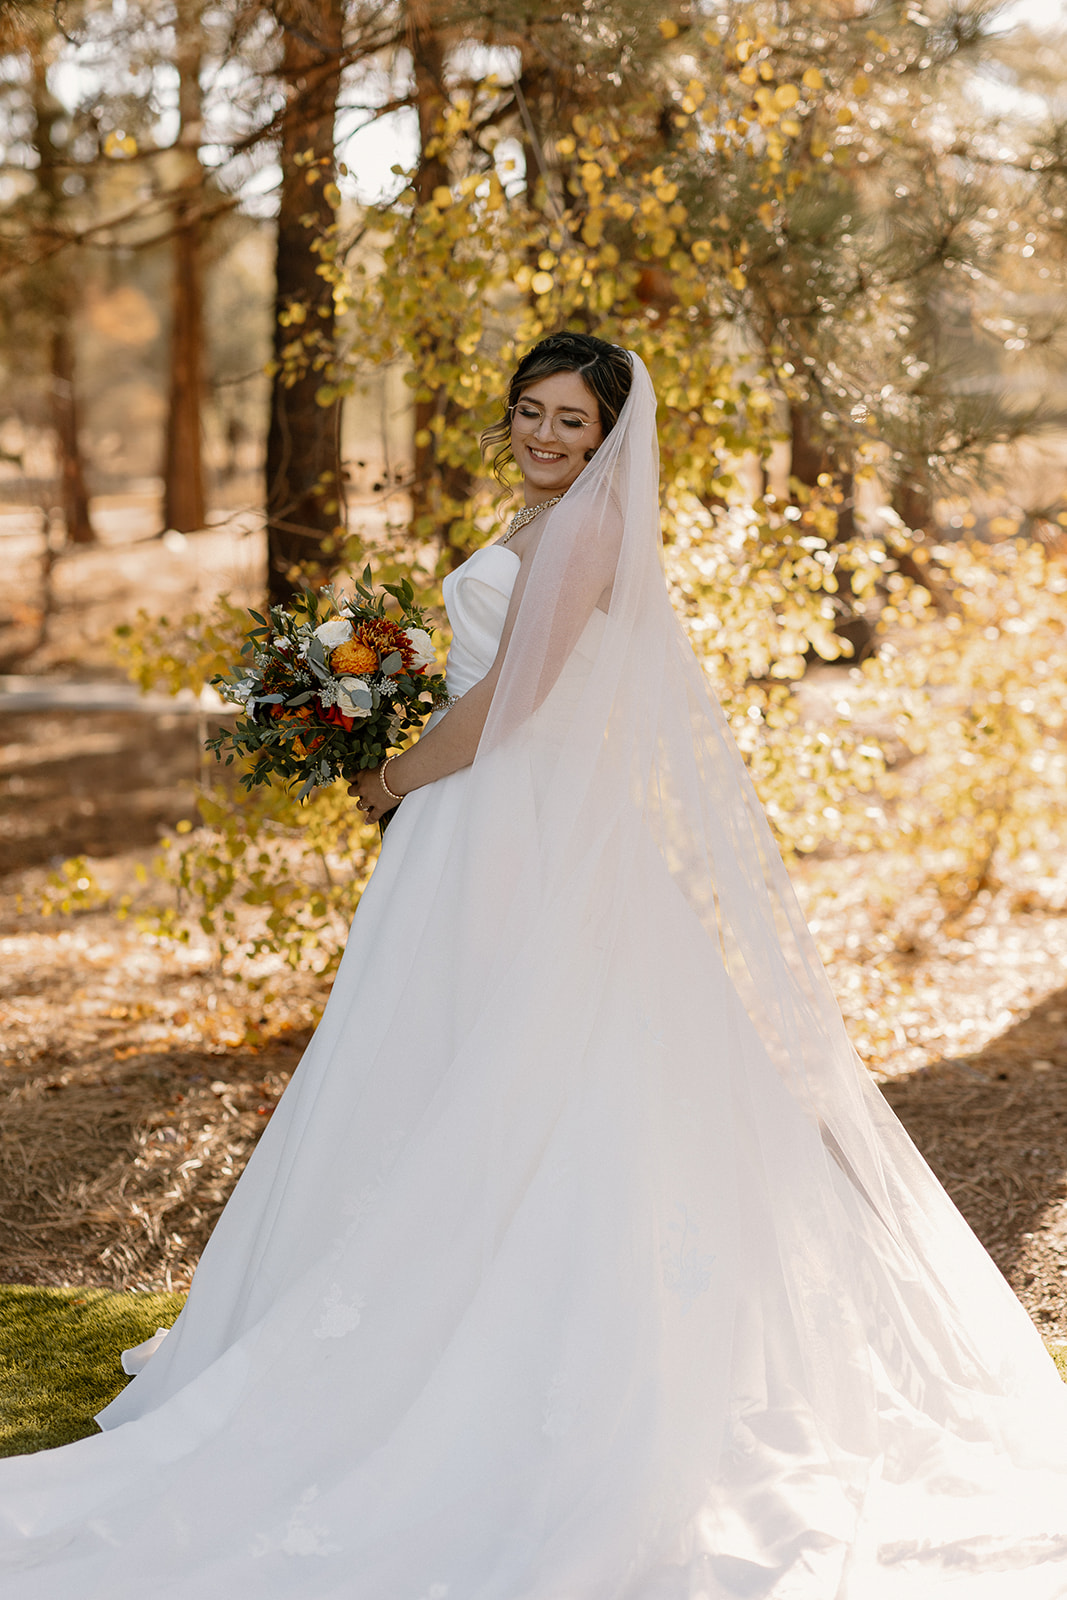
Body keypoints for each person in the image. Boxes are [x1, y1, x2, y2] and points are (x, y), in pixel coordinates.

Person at [3, 334, 1067, 1599]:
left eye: (571, 419)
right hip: (481, 825)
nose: (546, 434)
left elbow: (514, 692)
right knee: (439, 1059)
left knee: (524, 1071)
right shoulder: (543, 518)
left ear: (610, 431)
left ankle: (526, 1349)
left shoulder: (587, 534)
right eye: (529, 411)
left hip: (507, 829)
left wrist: (388, 776)